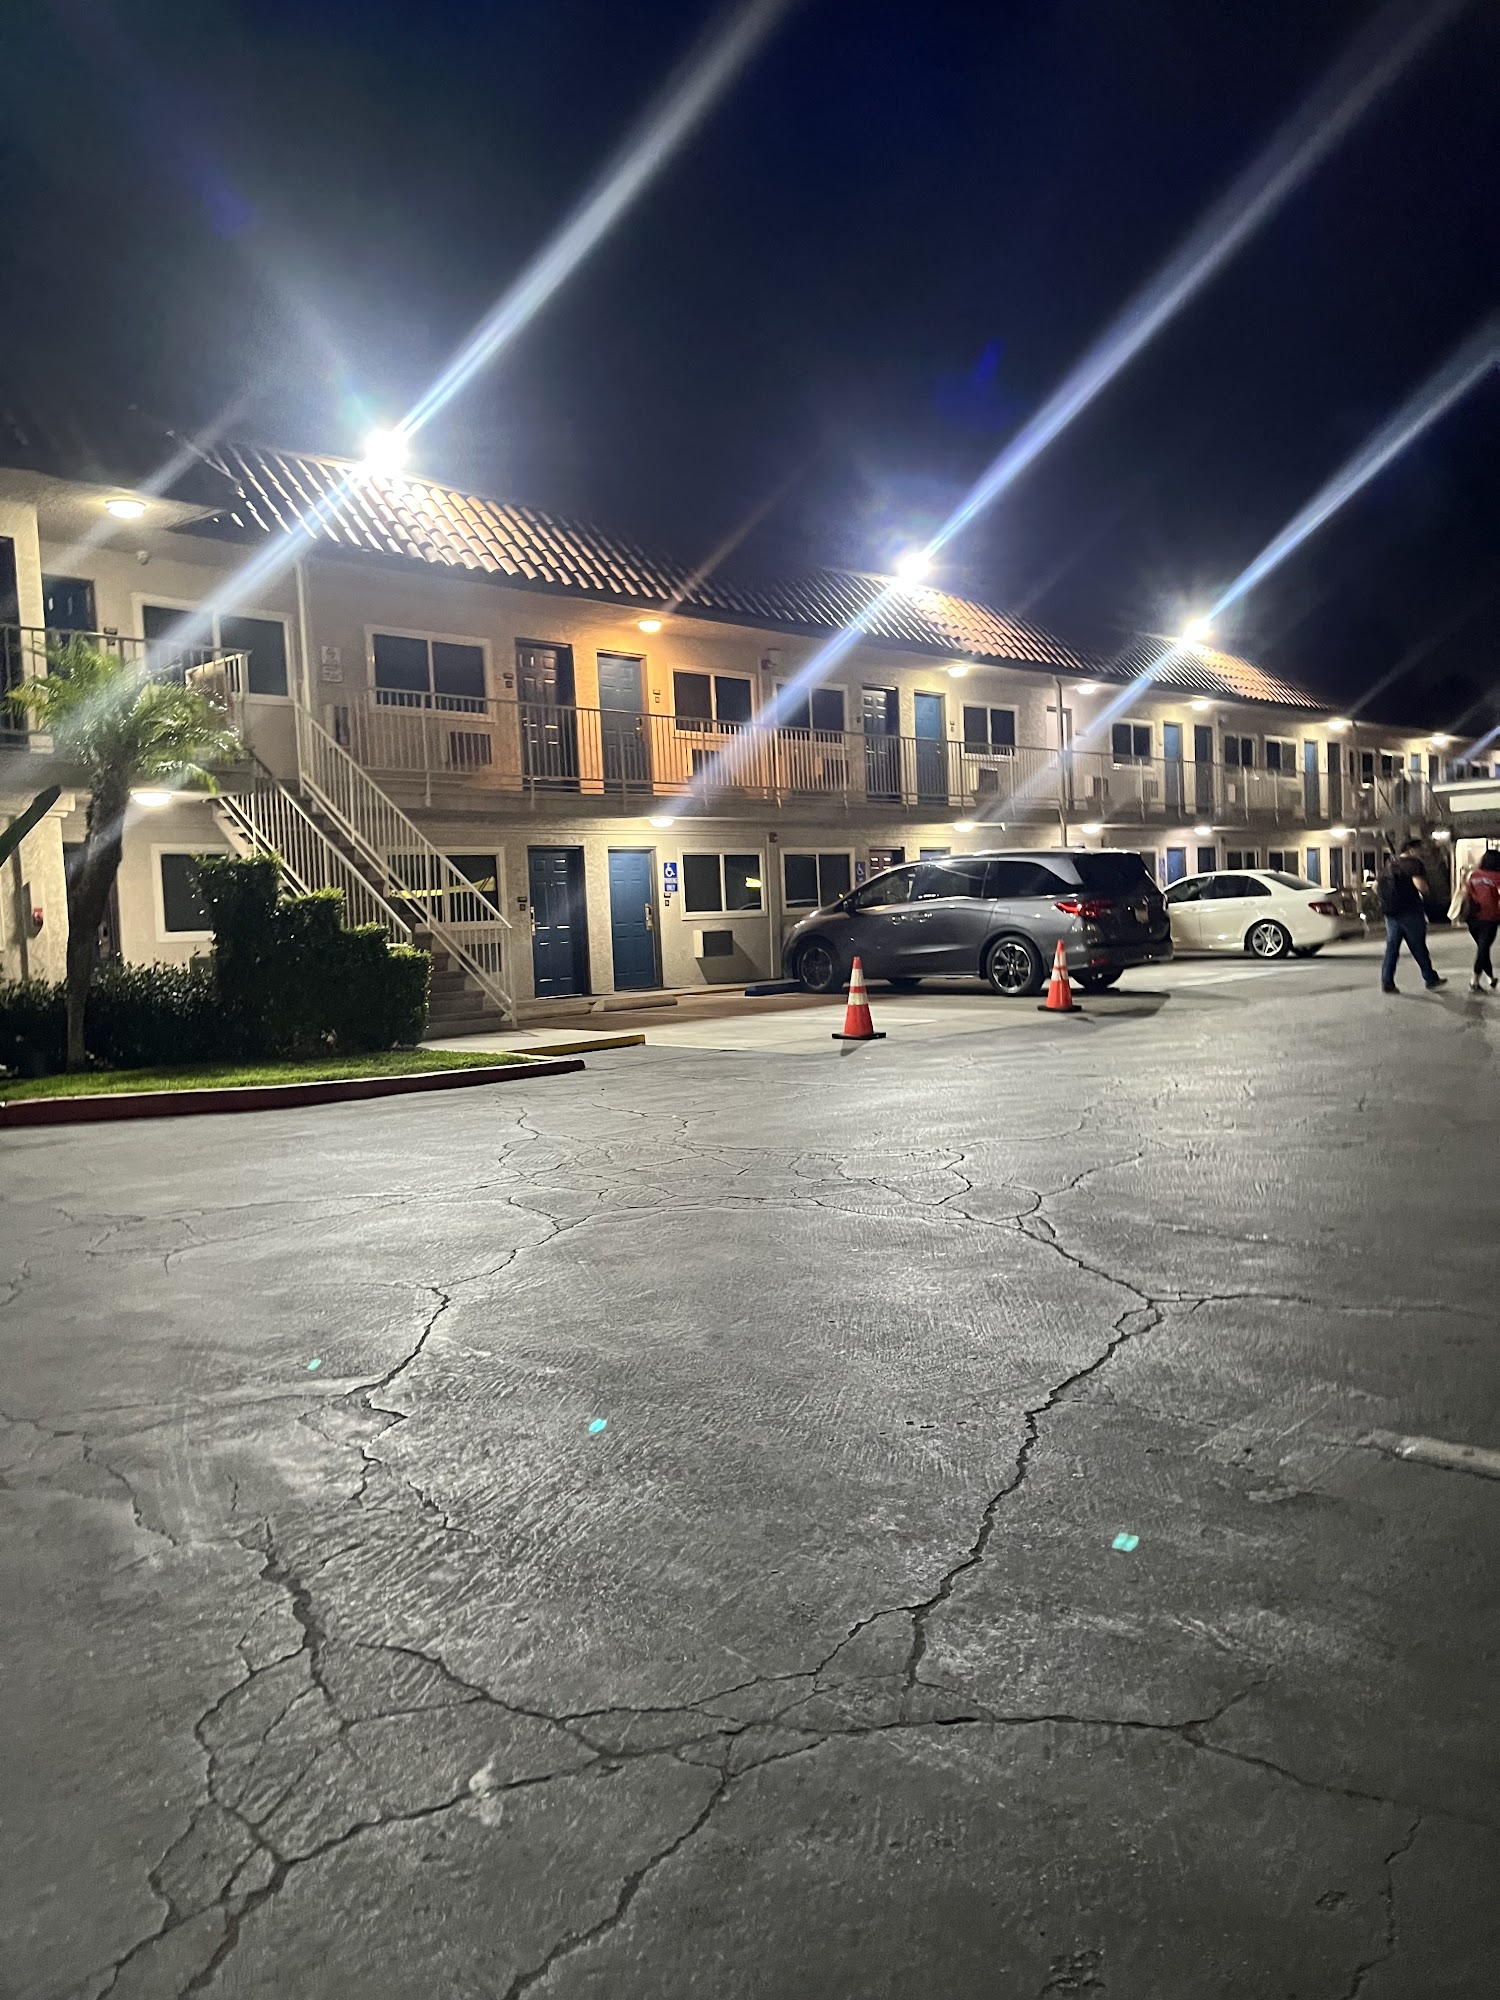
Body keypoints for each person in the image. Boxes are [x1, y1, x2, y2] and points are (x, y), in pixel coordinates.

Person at [1378, 838, 1445, 994]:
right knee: (1418, 946)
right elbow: (1421, 886)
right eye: (1420, 849)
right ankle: (1430, 978)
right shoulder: (1413, 864)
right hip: (1410, 912)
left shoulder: (1389, 865)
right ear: (1411, 850)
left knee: (1392, 948)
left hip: (1391, 914)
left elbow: (1376, 886)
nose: (1421, 853)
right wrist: (1427, 892)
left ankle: (1387, 982)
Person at [1461, 847, 1500, 993]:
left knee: (1483, 949)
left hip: (1473, 917)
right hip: (1490, 918)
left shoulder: (1474, 875)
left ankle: (1490, 978)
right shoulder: (1497, 877)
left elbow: (1466, 892)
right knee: (1483, 949)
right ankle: (1474, 981)